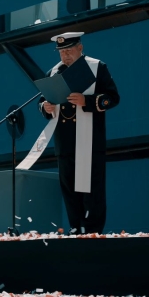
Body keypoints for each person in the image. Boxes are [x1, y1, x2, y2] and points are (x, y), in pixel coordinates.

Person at [37, 31, 120, 234]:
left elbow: (113, 97)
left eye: (68, 50)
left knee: (92, 192)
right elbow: (42, 100)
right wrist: (45, 107)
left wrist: (88, 102)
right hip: (64, 144)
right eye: (61, 52)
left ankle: (93, 232)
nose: (65, 56)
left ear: (80, 48)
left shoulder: (96, 67)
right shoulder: (53, 72)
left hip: (90, 142)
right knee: (70, 192)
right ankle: (76, 230)